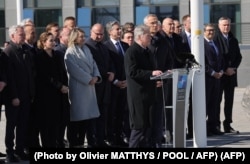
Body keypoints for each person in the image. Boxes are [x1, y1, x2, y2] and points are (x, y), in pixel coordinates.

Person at [124, 24, 163, 148]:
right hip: (138, 95)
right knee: (139, 126)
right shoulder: (132, 51)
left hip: (150, 93)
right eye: (148, 35)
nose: (151, 37)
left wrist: (156, 79)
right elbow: (132, 72)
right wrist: (151, 73)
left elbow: (150, 69)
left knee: (148, 126)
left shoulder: (148, 51)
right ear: (140, 37)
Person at [64, 28, 101, 148]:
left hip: (90, 87)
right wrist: (88, 78)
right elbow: (73, 69)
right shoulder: (70, 52)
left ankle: (84, 141)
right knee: (78, 118)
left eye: (84, 36)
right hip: (79, 87)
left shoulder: (86, 49)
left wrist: (96, 76)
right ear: (74, 38)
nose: (83, 38)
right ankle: (75, 143)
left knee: (87, 118)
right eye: (81, 36)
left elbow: (94, 64)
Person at [3, 25, 33, 162]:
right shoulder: (9, 51)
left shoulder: (26, 50)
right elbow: (9, 77)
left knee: (23, 125)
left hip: (26, 95)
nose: (23, 37)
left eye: (23, 34)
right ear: (12, 36)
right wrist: (14, 96)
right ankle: (10, 152)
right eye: (20, 34)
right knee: (11, 125)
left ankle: (20, 150)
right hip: (14, 97)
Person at [34, 32, 68, 147]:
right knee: (46, 126)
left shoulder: (57, 55)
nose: (54, 43)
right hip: (45, 96)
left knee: (56, 124)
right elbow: (44, 76)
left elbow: (63, 72)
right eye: (50, 40)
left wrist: (64, 86)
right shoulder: (39, 56)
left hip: (59, 95)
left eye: (54, 40)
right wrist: (59, 86)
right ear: (43, 42)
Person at [144, 14, 174, 147]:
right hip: (147, 83)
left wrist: (166, 75)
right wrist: (152, 79)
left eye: (156, 23)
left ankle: (158, 139)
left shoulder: (163, 40)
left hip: (162, 82)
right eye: (152, 23)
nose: (155, 25)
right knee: (148, 115)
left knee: (159, 114)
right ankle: (148, 141)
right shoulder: (143, 40)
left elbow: (169, 60)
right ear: (146, 25)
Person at [85, 23, 115, 147]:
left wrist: (113, 72)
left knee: (103, 115)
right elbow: (91, 65)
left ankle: (101, 139)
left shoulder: (103, 47)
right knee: (92, 117)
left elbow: (109, 62)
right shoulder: (87, 46)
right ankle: (92, 141)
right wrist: (104, 73)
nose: (99, 36)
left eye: (101, 34)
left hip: (105, 87)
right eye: (97, 33)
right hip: (94, 86)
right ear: (91, 32)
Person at [214, 16, 242, 133]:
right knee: (217, 101)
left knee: (229, 101)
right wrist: (225, 69)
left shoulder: (233, 39)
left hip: (231, 75)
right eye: (224, 25)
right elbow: (218, 57)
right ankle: (215, 125)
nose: (226, 27)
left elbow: (239, 57)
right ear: (219, 26)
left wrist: (233, 68)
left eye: (228, 25)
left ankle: (227, 124)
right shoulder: (216, 39)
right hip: (220, 75)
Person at [104, 21, 130, 147]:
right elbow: (107, 66)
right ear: (110, 31)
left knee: (122, 113)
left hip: (126, 85)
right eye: (117, 29)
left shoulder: (125, 45)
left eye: (120, 29)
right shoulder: (106, 46)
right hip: (112, 86)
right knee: (111, 113)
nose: (119, 31)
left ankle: (120, 136)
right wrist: (115, 82)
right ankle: (110, 137)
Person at [204, 23, 224, 136]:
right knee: (206, 103)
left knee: (214, 104)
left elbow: (221, 59)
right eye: (209, 30)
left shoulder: (216, 43)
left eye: (213, 30)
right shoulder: (201, 44)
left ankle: (213, 127)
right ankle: (205, 128)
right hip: (208, 79)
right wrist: (212, 73)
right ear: (204, 32)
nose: (211, 32)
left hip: (217, 79)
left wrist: (221, 71)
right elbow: (201, 62)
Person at [54, 27, 72, 148]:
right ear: (60, 37)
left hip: (71, 88)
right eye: (68, 35)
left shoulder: (71, 49)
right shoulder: (58, 51)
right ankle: (58, 141)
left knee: (67, 118)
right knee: (60, 119)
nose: (71, 37)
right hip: (61, 90)